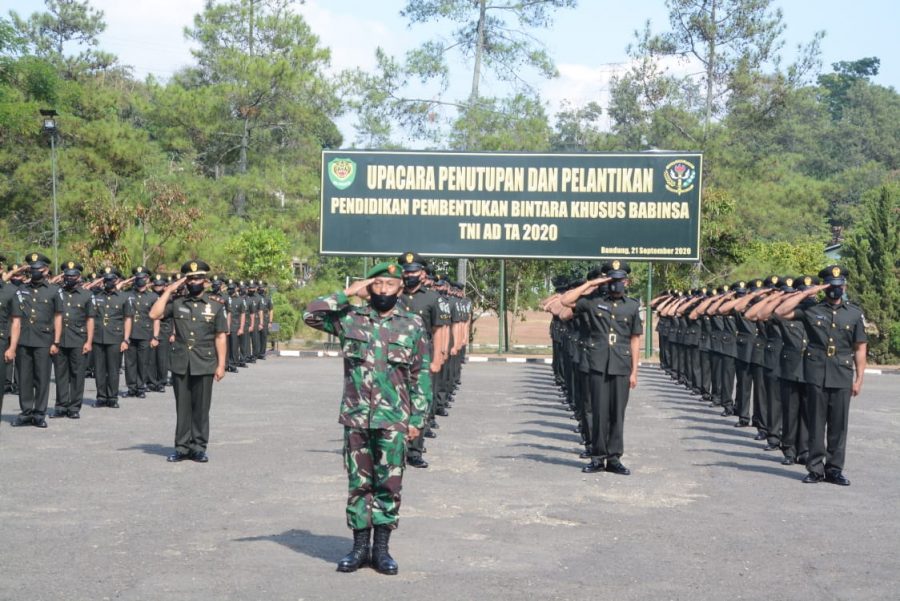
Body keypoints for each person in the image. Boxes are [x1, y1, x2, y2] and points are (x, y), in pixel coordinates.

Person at [303, 262, 428, 576]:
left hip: (394, 419)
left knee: (389, 484)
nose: (384, 290)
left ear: (401, 287)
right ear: (368, 286)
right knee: (359, 484)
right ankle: (359, 549)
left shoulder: (412, 324)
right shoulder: (350, 319)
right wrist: (348, 292)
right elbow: (311, 314)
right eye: (378, 284)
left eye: (390, 284)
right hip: (357, 417)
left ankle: (382, 550)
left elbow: (420, 374)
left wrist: (417, 418)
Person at [774, 265, 867, 486]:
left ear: (844, 286)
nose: (835, 290)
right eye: (831, 287)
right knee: (815, 423)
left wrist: (859, 378)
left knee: (838, 425)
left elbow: (860, 346)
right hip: (815, 373)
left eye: (839, 286)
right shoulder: (811, 309)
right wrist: (805, 293)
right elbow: (780, 312)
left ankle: (834, 469)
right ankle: (815, 468)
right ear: (825, 288)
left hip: (842, 373)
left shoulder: (854, 313)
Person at [561, 260, 642, 475]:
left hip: (621, 366)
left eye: (619, 280)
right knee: (598, 412)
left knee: (617, 414)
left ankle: (614, 458)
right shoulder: (593, 301)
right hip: (597, 365)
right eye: (612, 280)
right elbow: (565, 300)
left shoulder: (632, 306)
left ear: (627, 281)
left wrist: (635, 371)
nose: (616, 284)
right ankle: (597, 457)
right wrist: (592, 283)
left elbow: (635, 339)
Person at [149, 260, 227, 463]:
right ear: (185, 281)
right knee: (182, 409)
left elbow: (220, 336)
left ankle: (198, 447)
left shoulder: (215, 305)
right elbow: (154, 314)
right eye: (190, 278)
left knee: (201, 409)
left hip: (204, 362)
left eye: (198, 278)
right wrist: (168, 290)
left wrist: (221, 365)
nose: (194, 282)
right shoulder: (177, 303)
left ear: (206, 281)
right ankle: (182, 448)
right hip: (181, 362)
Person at [396, 251, 447, 469]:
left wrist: (438, 359)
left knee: (419, 403)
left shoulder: (432, 298)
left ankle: (415, 451)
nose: (409, 275)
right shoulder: (393, 294)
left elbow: (438, 330)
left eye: (413, 271)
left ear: (422, 273)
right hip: (395, 357)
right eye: (406, 272)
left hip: (422, 358)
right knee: (396, 402)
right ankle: (395, 447)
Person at [8, 253, 63, 427]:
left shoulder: (54, 291)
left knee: (42, 378)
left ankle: (39, 413)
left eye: (37, 269)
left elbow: (58, 318)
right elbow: (16, 320)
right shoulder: (21, 290)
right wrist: (12, 346)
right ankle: (26, 413)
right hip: (24, 340)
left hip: (44, 341)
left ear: (46, 270)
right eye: (31, 269)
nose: (34, 272)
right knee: (24, 378)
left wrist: (56, 342)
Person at [50, 261, 95, 419]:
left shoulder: (87, 295)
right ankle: (61, 406)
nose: (69, 278)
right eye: (67, 276)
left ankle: (74, 407)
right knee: (60, 374)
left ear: (79, 277)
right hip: (60, 339)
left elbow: (90, 319)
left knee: (77, 375)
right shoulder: (56, 292)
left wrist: (89, 342)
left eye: (73, 276)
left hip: (78, 339)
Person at [92, 268, 134, 408]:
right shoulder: (96, 296)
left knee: (113, 369)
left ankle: (112, 397)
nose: (108, 282)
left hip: (115, 338)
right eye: (106, 279)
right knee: (99, 369)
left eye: (111, 280)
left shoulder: (123, 297)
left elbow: (128, 319)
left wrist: (126, 339)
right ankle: (101, 397)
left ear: (116, 280)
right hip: (98, 338)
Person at [123, 266, 159, 398]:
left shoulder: (153, 296)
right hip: (130, 334)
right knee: (129, 362)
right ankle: (131, 387)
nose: (140, 280)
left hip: (146, 334)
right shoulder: (128, 294)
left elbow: (156, 319)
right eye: (137, 278)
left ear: (147, 279)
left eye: (142, 278)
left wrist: (155, 336)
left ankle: (140, 387)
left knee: (143, 362)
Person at [148, 274, 174, 392]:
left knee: (162, 359)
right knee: (151, 358)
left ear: (165, 286)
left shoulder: (169, 299)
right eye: (156, 285)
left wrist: (173, 333)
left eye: (160, 285)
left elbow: (164, 315)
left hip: (164, 331)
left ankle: (161, 381)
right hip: (150, 330)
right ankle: (151, 381)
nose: (158, 287)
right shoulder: (150, 297)